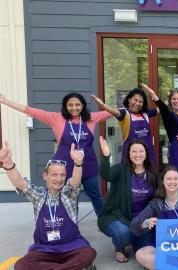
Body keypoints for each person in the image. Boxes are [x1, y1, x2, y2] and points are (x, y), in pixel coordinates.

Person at [0, 92, 112, 216]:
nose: (74, 108)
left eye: (77, 104)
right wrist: (6, 101)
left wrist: (105, 105)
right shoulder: (56, 118)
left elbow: (115, 113)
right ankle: (68, 224)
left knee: (96, 195)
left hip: (88, 164)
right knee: (67, 198)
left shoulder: (91, 117)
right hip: (64, 166)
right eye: (70, 105)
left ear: (83, 105)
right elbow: (30, 110)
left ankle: (104, 222)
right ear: (65, 106)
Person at [0, 142, 97, 270]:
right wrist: (7, 163)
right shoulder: (38, 195)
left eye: (62, 175)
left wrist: (78, 164)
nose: (59, 179)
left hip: (72, 246)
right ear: (45, 176)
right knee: (21, 265)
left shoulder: (69, 194)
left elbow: (75, 180)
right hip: (44, 249)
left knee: (89, 253)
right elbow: (19, 182)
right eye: (54, 175)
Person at [97, 136, 158, 263]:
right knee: (124, 233)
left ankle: (134, 239)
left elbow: (165, 190)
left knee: (148, 250)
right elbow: (106, 175)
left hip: (142, 219)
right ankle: (120, 247)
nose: (137, 154)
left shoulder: (152, 173)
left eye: (141, 151)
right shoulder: (121, 169)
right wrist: (107, 155)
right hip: (118, 216)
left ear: (146, 154)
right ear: (129, 154)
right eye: (134, 151)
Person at [91, 88, 159, 166]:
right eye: (135, 100)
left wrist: (171, 99)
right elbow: (115, 112)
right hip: (130, 160)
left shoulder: (145, 114)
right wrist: (103, 105)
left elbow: (161, 109)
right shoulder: (124, 113)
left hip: (148, 159)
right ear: (129, 100)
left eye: (140, 102)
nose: (137, 103)